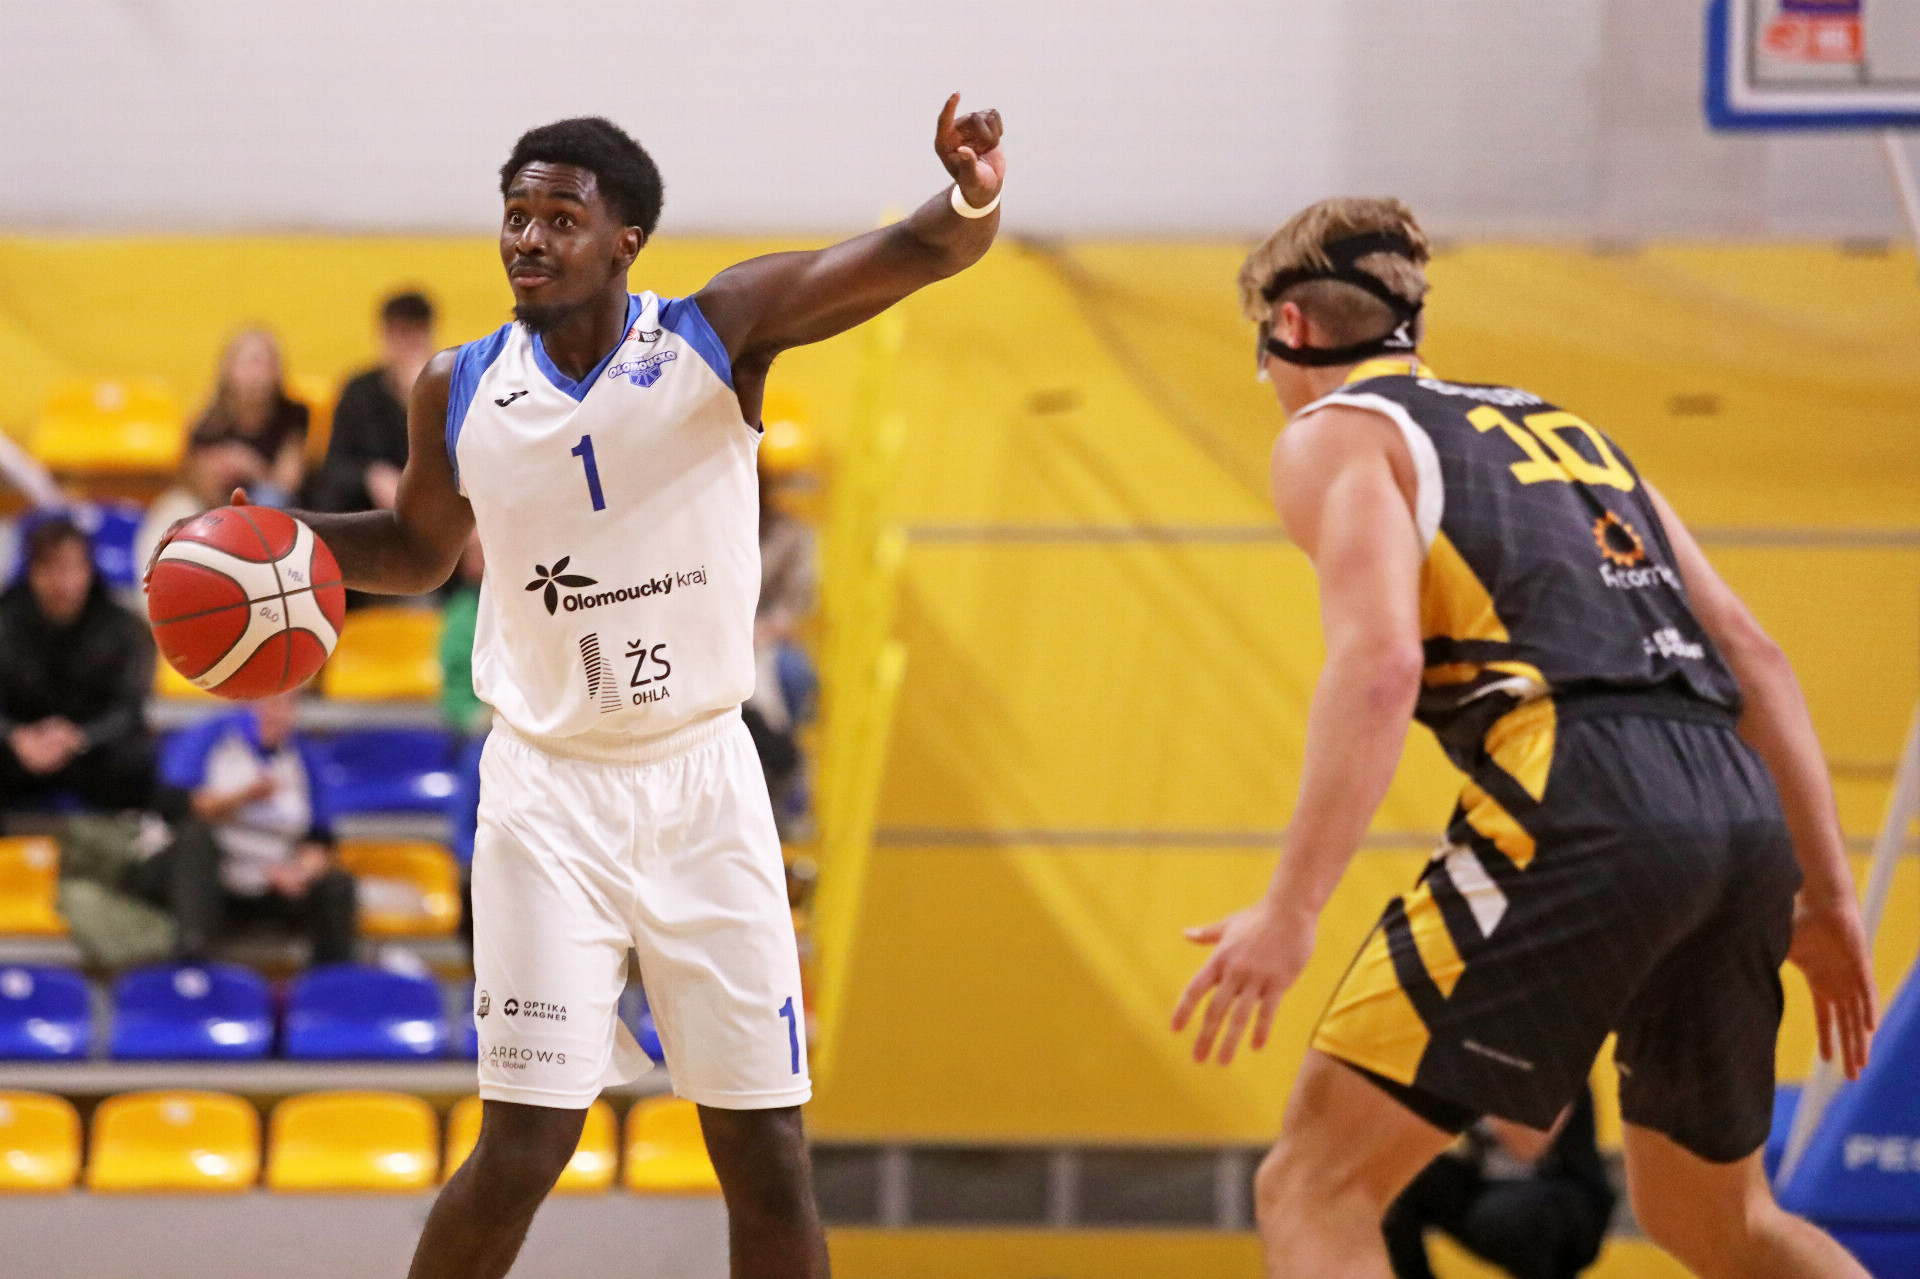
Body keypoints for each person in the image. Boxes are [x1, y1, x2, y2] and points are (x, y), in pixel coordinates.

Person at [149, 95, 1004, 1279]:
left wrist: (969, 195)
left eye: (561, 217)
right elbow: (418, 550)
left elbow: (914, 252)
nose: (529, 238)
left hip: (704, 783)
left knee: (767, 1154)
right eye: (516, 215)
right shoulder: (455, 386)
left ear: (624, 240)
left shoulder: (717, 333)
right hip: (547, 798)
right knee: (523, 1147)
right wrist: (267, 543)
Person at [1170, 197, 1878, 1279]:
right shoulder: (1570, 433)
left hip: (1579, 788)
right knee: (1721, 1221)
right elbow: (1755, 654)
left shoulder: (1338, 434)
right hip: (1737, 806)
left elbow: (1382, 667)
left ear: (1290, 328)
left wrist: (1292, 909)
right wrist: (1828, 901)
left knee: (1314, 1185)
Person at [134, 691, 355, 966]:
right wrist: (243, 796)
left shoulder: (303, 755)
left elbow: (320, 839)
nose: (278, 715)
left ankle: (333, 979)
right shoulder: (211, 736)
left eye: (288, 706)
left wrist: (299, 872)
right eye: (270, 705)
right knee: (196, 839)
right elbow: (175, 808)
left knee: (337, 884)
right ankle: (192, 955)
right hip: (207, 874)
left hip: (268, 878)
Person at [0, 515, 159, 816]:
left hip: (92, 751)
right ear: (31, 572)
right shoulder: (6, 621)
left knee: (140, 757)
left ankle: (131, 838)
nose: (62, 583)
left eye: (72, 568)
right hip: (18, 751)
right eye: (50, 568)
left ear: (89, 570)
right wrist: (16, 737)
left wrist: (79, 737)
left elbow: (130, 709)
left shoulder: (122, 627)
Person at [1383, 1088, 1614, 1279]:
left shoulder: (1558, 1062)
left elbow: (1529, 1147)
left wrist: (1477, 1083)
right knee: (1400, 1184)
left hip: (1568, 1200)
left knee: (1500, 1213)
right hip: (1489, 1189)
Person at [308, 291, 437, 513]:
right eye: (399, 336)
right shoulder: (359, 391)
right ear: (385, 337)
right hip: (365, 510)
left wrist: (420, 400)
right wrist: (370, 475)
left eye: (414, 339)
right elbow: (334, 466)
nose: (406, 348)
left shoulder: (447, 390)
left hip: (431, 511)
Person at [132, 439, 264, 614]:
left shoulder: (223, 510)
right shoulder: (177, 510)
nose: (224, 468)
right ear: (193, 464)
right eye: (213, 457)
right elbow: (156, 591)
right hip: (173, 616)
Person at [189, 327, 310, 505]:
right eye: (250, 363)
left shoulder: (293, 416)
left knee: (270, 498)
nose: (257, 374)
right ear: (228, 368)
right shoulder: (209, 419)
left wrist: (250, 466)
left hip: (268, 501)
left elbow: (288, 483)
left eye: (266, 364)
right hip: (217, 504)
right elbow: (193, 485)